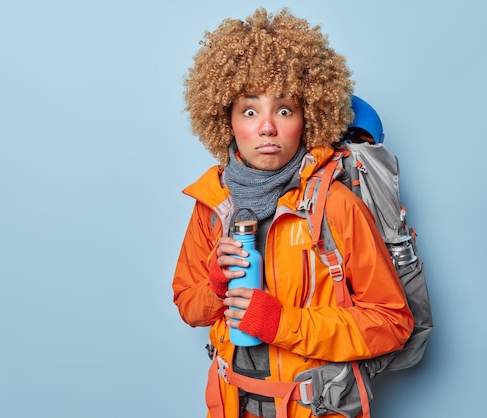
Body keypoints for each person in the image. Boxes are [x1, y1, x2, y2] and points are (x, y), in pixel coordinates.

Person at [172, 8, 414, 418]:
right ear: (226, 120)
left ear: (307, 118)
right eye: (250, 111)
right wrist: (214, 285)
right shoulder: (213, 203)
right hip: (232, 406)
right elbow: (188, 307)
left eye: (284, 110)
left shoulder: (336, 205)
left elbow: (392, 323)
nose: (267, 127)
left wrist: (283, 323)